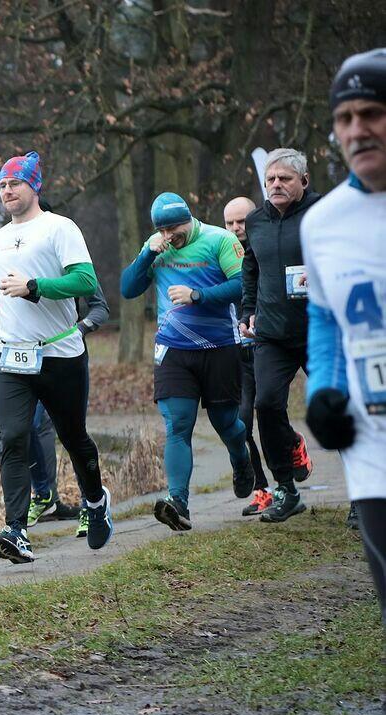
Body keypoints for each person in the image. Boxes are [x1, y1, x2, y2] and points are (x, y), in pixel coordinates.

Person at [0, 152, 114, 563]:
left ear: (34, 186)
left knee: (74, 438)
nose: (7, 191)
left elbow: (85, 281)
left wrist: (35, 286)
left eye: (15, 184)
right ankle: (16, 530)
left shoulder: (60, 228)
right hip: (12, 355)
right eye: (2, 186)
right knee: (12, 438)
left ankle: (96, 502)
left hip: (60, 353)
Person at [301, 47, 386, 627]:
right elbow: (327, 318)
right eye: (344, 118)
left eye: (372, 113)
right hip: (373, 447)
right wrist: (323, 392)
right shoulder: (322, 224)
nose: (357, 130)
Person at [120, 192, 254, 530]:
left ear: (189, 219)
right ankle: (178, 502)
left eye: (174, 229)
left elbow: (242, 284)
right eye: (162, 230)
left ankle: (241, 459)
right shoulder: (156, 248)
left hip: (219, 345)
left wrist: (198, 296)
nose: (169, 236)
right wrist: (147, 255)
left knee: (226, 423)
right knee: (178, 425)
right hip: (173, 349)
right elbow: (128, 289)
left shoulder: (219, 239)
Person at [241, 149, 323, 523]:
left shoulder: (322, 213)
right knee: (267, 405)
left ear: (303, 181)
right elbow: (251, 267)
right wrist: (248, 310)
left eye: (284, 178)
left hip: (319, 329)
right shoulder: (256, 220)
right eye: (270, 179)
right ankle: (286, 490)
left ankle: (361, 494)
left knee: (339, 406)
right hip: (272, 334)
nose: (275, 184)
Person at [28, 284, 110, 536]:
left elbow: (100, 308)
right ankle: (43, 494)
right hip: (28, 357)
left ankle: (89, 504)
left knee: (73, 435)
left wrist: (80, 329)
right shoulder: (14, 262)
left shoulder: (71, 263)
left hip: (67, 359)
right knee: (26, 426)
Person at [223, 196, 273, 516]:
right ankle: (261, 489)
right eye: (229, 223)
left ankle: (292, 449)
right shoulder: (221, 253)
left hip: (268, 348)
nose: (236, 228)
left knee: (270, 415)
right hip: (236, 351)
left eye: (241, 221)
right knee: (241, 422)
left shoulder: (267, 249)